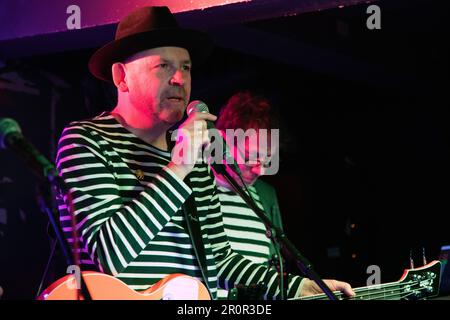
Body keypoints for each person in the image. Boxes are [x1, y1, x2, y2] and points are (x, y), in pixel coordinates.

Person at [55, 6, 354, 300]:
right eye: (164, 66)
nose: (179, 79)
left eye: (185, 67)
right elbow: (107, 256)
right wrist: (178, 168)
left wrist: (295, 287)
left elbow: (219, 259)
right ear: (121, 76)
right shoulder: (87, 140)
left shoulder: (195, 160)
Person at [212, 91, 286, 299]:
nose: (260, 170)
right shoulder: (194, 187)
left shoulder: (266, 195)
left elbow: (275, 264)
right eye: (251, 157)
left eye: (267, 160)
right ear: (222, 142)